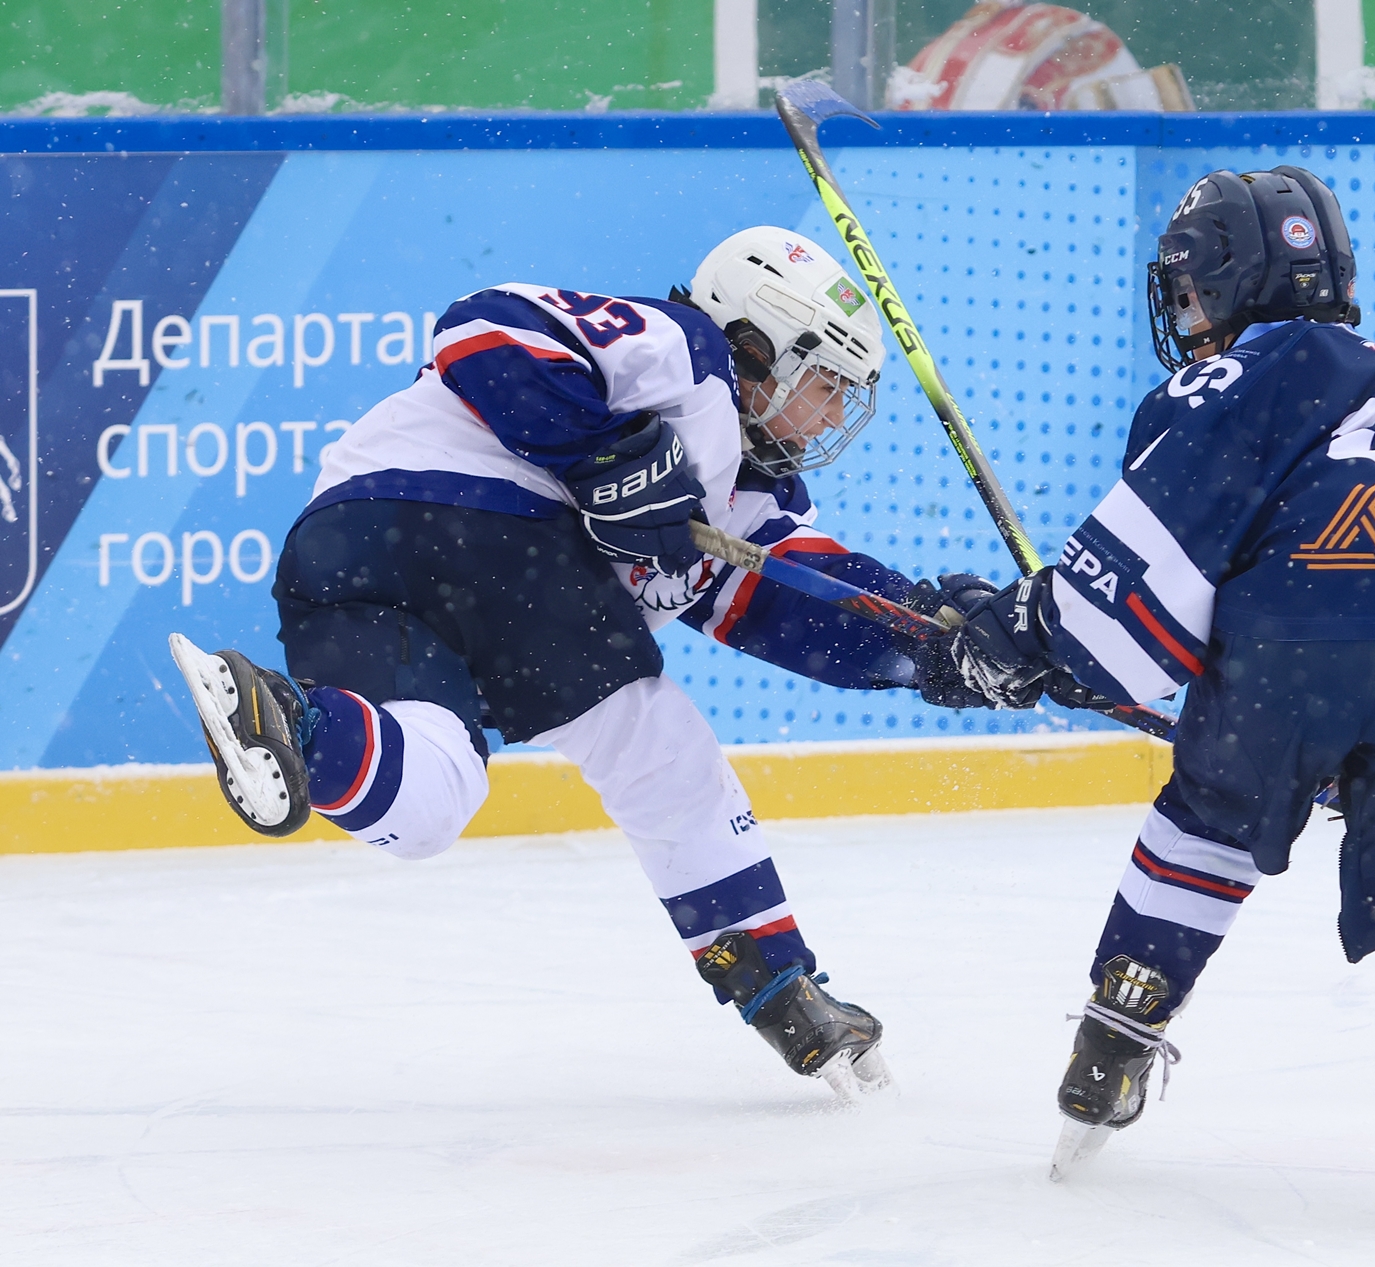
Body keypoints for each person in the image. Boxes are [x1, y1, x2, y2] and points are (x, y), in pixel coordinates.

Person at [169, 226, 994, 1098]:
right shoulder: (689, 355)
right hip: (484, 530)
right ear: (759, 344)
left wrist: (947, 646)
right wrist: (604, 451)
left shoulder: (742, 498)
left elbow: (799, 602)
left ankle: (292, 722)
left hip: (346, 560)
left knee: (431, 803)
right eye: (825, 385)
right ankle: (773, 978)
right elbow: (482, 331)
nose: (832, 415)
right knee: (654, 743)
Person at [949, 168, 1375, 1207]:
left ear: (1224, 283)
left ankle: (1119, 1027)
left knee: (1214, 812)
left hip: (1316, 611)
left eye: (1187, 290)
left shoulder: (1226, 380)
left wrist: (1033, 629)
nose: (1182, 314)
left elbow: (1135, 597)